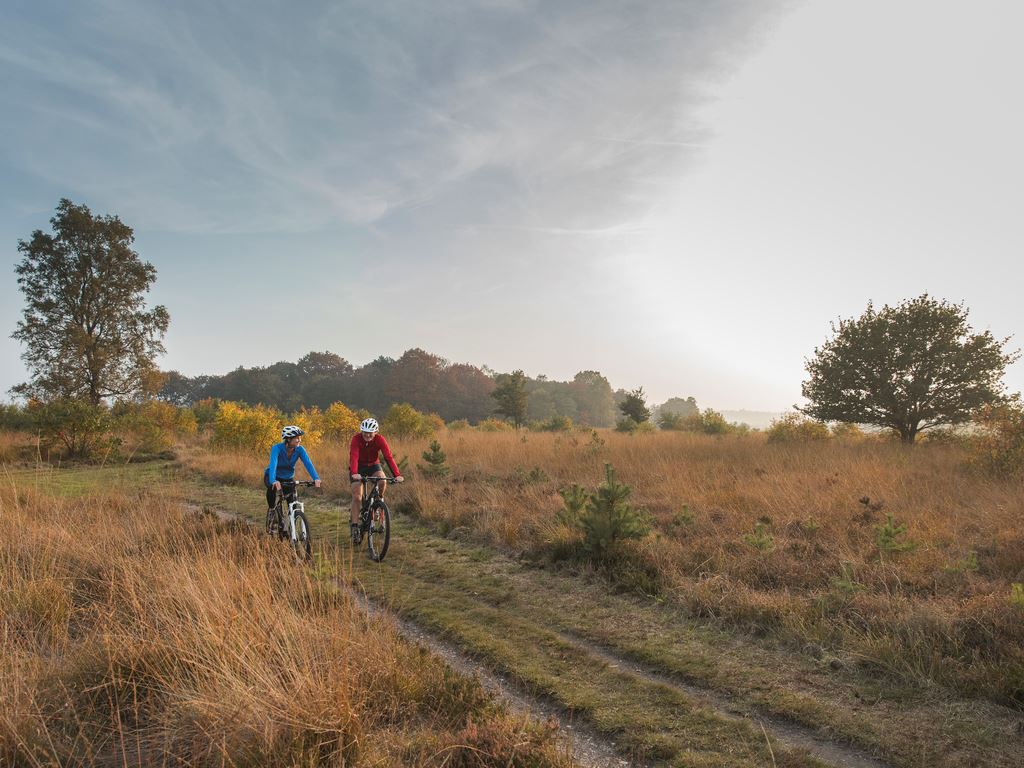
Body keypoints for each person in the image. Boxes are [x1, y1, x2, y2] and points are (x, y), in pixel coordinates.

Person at [349, 417, 403, 543]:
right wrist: (355, 473)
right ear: (361, 431)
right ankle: (355, 527)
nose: (367, 435)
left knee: (382, 480)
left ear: (376, 432)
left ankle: (378, 502)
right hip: (358, 467)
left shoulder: (380, 439)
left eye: (370, 433)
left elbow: (388, 457)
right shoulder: (356, 439)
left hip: (373, 465)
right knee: (357, 497)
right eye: (364, 432)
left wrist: (397, 474)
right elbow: (354, 456)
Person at [264, 425, 321, 515]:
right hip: (272, 475)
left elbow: (308, 463)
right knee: (272, 489)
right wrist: (273, 480)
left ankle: (292, 520)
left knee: (293, 504)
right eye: (297, 438)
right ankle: (272, 511)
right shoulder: (277, 448)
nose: (299, 440)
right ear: (288, 439)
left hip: (287, 477)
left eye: (300, 438)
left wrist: (316, 478)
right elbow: (273, 465)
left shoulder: (300, 449)